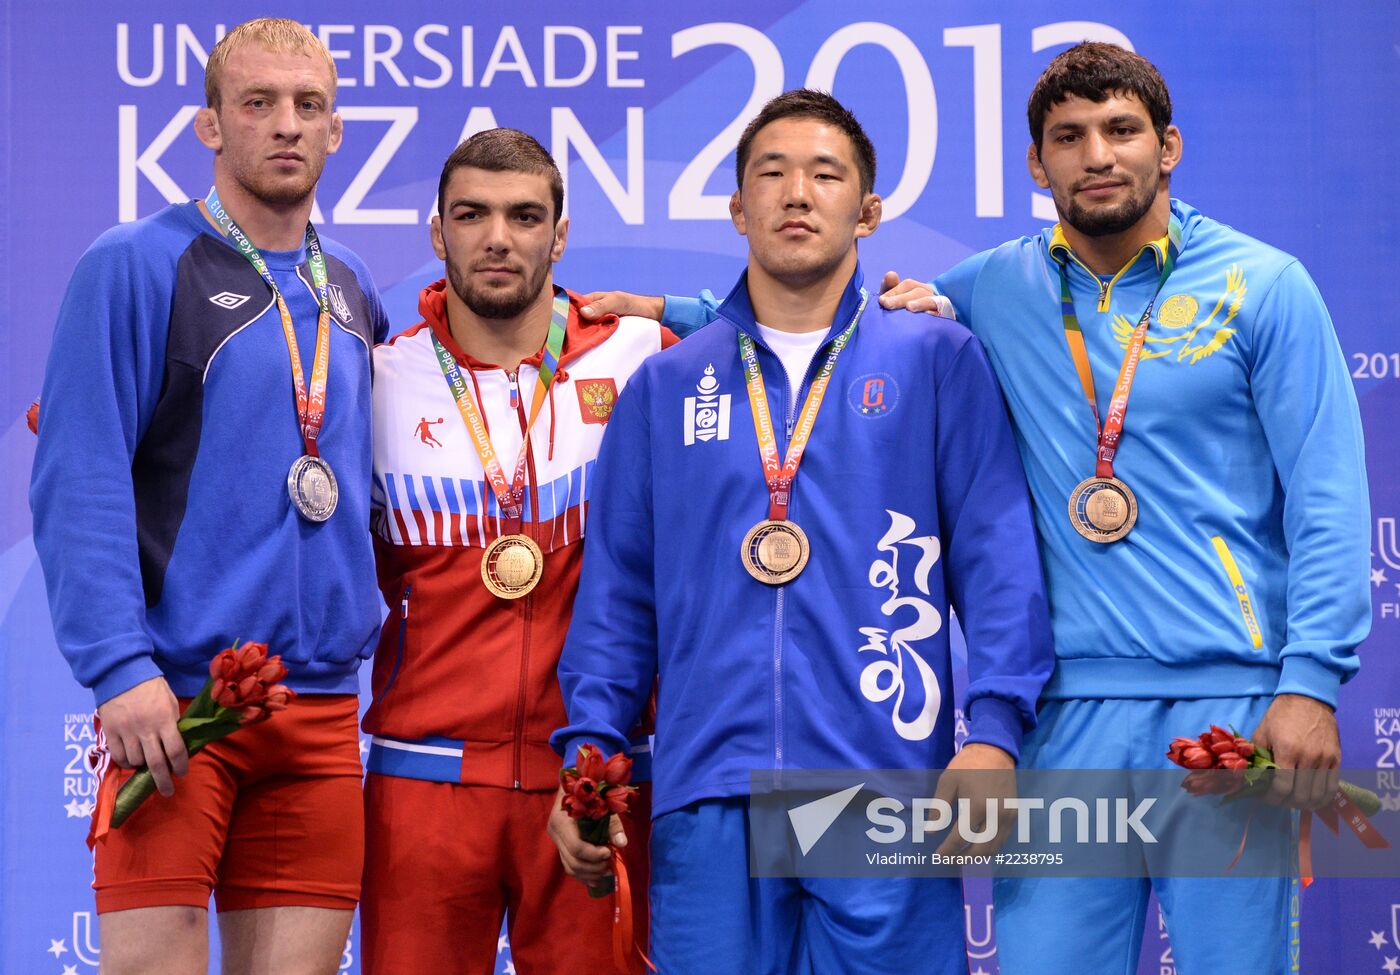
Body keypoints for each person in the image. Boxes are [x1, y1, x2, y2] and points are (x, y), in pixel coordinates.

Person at [630, 43, 1370, 975]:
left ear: (1169, 145)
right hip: (1058, 721)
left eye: (1121, 131)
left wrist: (1308, 681)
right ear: (1036, 163)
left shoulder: (1266, 287)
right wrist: (668, 311)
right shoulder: (993, 286)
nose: (1097, 155)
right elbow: (818, 319)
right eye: (1069, 137)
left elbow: (1330, 497)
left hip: (1228, 707)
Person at [547, 89, 1053, 975]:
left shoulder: (934, 359)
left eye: (825, 175)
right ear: (737, 207)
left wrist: (994, 731)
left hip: (885, 785)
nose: (795, 194)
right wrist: (592, 757)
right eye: (770, 174)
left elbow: (997, 557)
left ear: (868, 210)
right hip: (710, 793)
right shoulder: (665, 388)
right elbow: (617, 598)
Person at [29, 19, 387, 975]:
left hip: (315, 717)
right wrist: (117, 666)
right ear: (209, 126)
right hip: (181, 708)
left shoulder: (349, 288)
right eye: (258, 103)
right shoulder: (137, 263)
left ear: (338, 129)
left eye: (309, 106)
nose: (286, 125)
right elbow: (80, 474)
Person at [360, 129, 670, 974]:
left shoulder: (642, 357)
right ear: (438, 233)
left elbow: (778, 349)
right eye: (473, 214)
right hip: (422, 779)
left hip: (596, 773)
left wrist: (914, 307)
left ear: (560, 236)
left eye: (525, 215)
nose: (498, 236)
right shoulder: (377, 381)